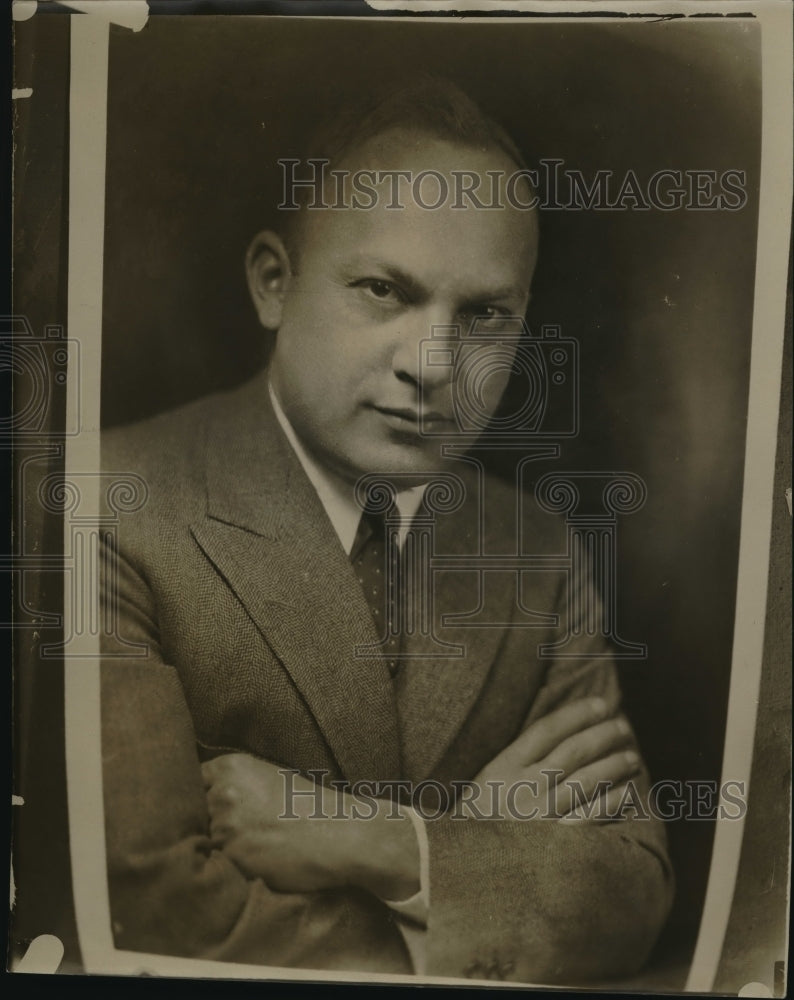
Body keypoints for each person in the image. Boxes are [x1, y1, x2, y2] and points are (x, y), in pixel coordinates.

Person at [99, 77, 673, 983]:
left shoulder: (539, 552)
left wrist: (386, 844)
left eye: (484, 315)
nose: (432, 365)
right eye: (383, 291)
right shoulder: (106, 504)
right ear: (272, 283)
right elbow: (150, 909)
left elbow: (631, 888)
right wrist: (485, 862)